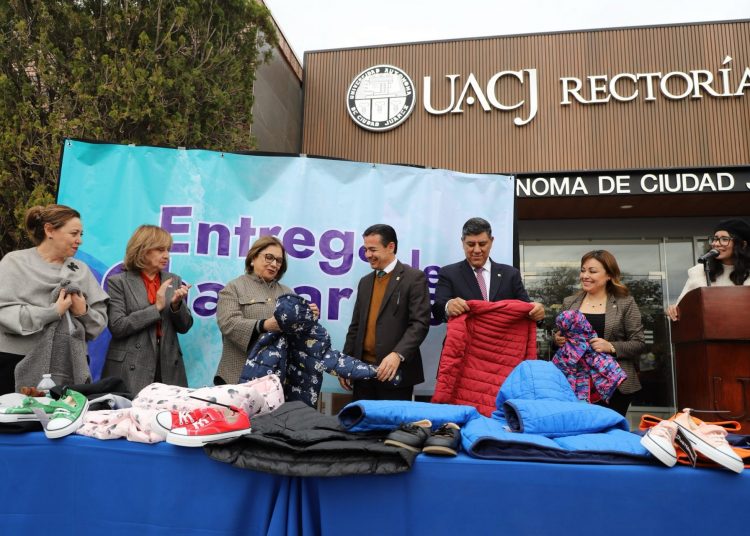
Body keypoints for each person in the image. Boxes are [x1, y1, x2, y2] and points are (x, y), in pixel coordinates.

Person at [0, 204, 109, 394]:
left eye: (81, 234)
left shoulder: (81, 270)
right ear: (49, 230)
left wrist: (83, 312)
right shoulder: (15, 262)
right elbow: (4, 313)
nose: (79, 240)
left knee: (64, 414)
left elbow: (98, 323)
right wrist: (53, 312)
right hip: (15, 360)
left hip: (68, 363)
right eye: (74, 233)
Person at [342, 224, 431, 401]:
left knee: (392, 420)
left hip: (395, 374)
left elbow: (419, 324)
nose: (368, 255)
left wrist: (398, 355)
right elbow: (355, 327)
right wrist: (345, 364)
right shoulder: (365, 282)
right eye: (365, 249)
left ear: (390, 247)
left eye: (373, 249)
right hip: (362, 374)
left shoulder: (414, 278)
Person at [215, 236, 319, 385]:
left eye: (279, 261)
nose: (274, 264)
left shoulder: (288, 294)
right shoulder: (234, 287)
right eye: (269, 257)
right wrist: (263, 325)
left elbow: (298, 338)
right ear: (253, 258)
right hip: (236, 377)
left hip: (274, 381)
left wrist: (309, 319)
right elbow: (228, 323)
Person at [553, 250, 645, 416]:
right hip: (573, 383)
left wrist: (611, 346)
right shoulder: (569, 302)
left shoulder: (625, 303)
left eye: (592, 271)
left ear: (609, 275)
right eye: (583, 270)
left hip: (615, 386)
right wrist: (557, 339)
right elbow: (559, 337)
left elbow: (639, 343)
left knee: (609, 430)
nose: (585, 276)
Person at [103, 225, 193, 394]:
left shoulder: (174, 279)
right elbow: (117, 326)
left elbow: (184, 327)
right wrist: (156, 308)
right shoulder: (119, 282)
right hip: (131, 366)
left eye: (168, 250)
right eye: (160, 250)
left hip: (168, 366)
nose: (166, 255)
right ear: (142, 250)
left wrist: (176, 306)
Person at [432, 217, 545, 323]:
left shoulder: (510, 274)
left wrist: (536, 312)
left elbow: (527, 308)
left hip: (502, 337)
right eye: (471, 244)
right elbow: (437, 311)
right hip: (465, 337)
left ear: (491, 241)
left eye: (482, 244)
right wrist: (448, 306)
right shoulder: (449, 273)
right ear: (462, 242)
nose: (477, 250)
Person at [667, 218, 750, 321]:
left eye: (724, 239)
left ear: (743, 244)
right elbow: (681, 307)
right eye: (715, 239)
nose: (716, 243)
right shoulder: (700, 271)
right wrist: (673, 310)